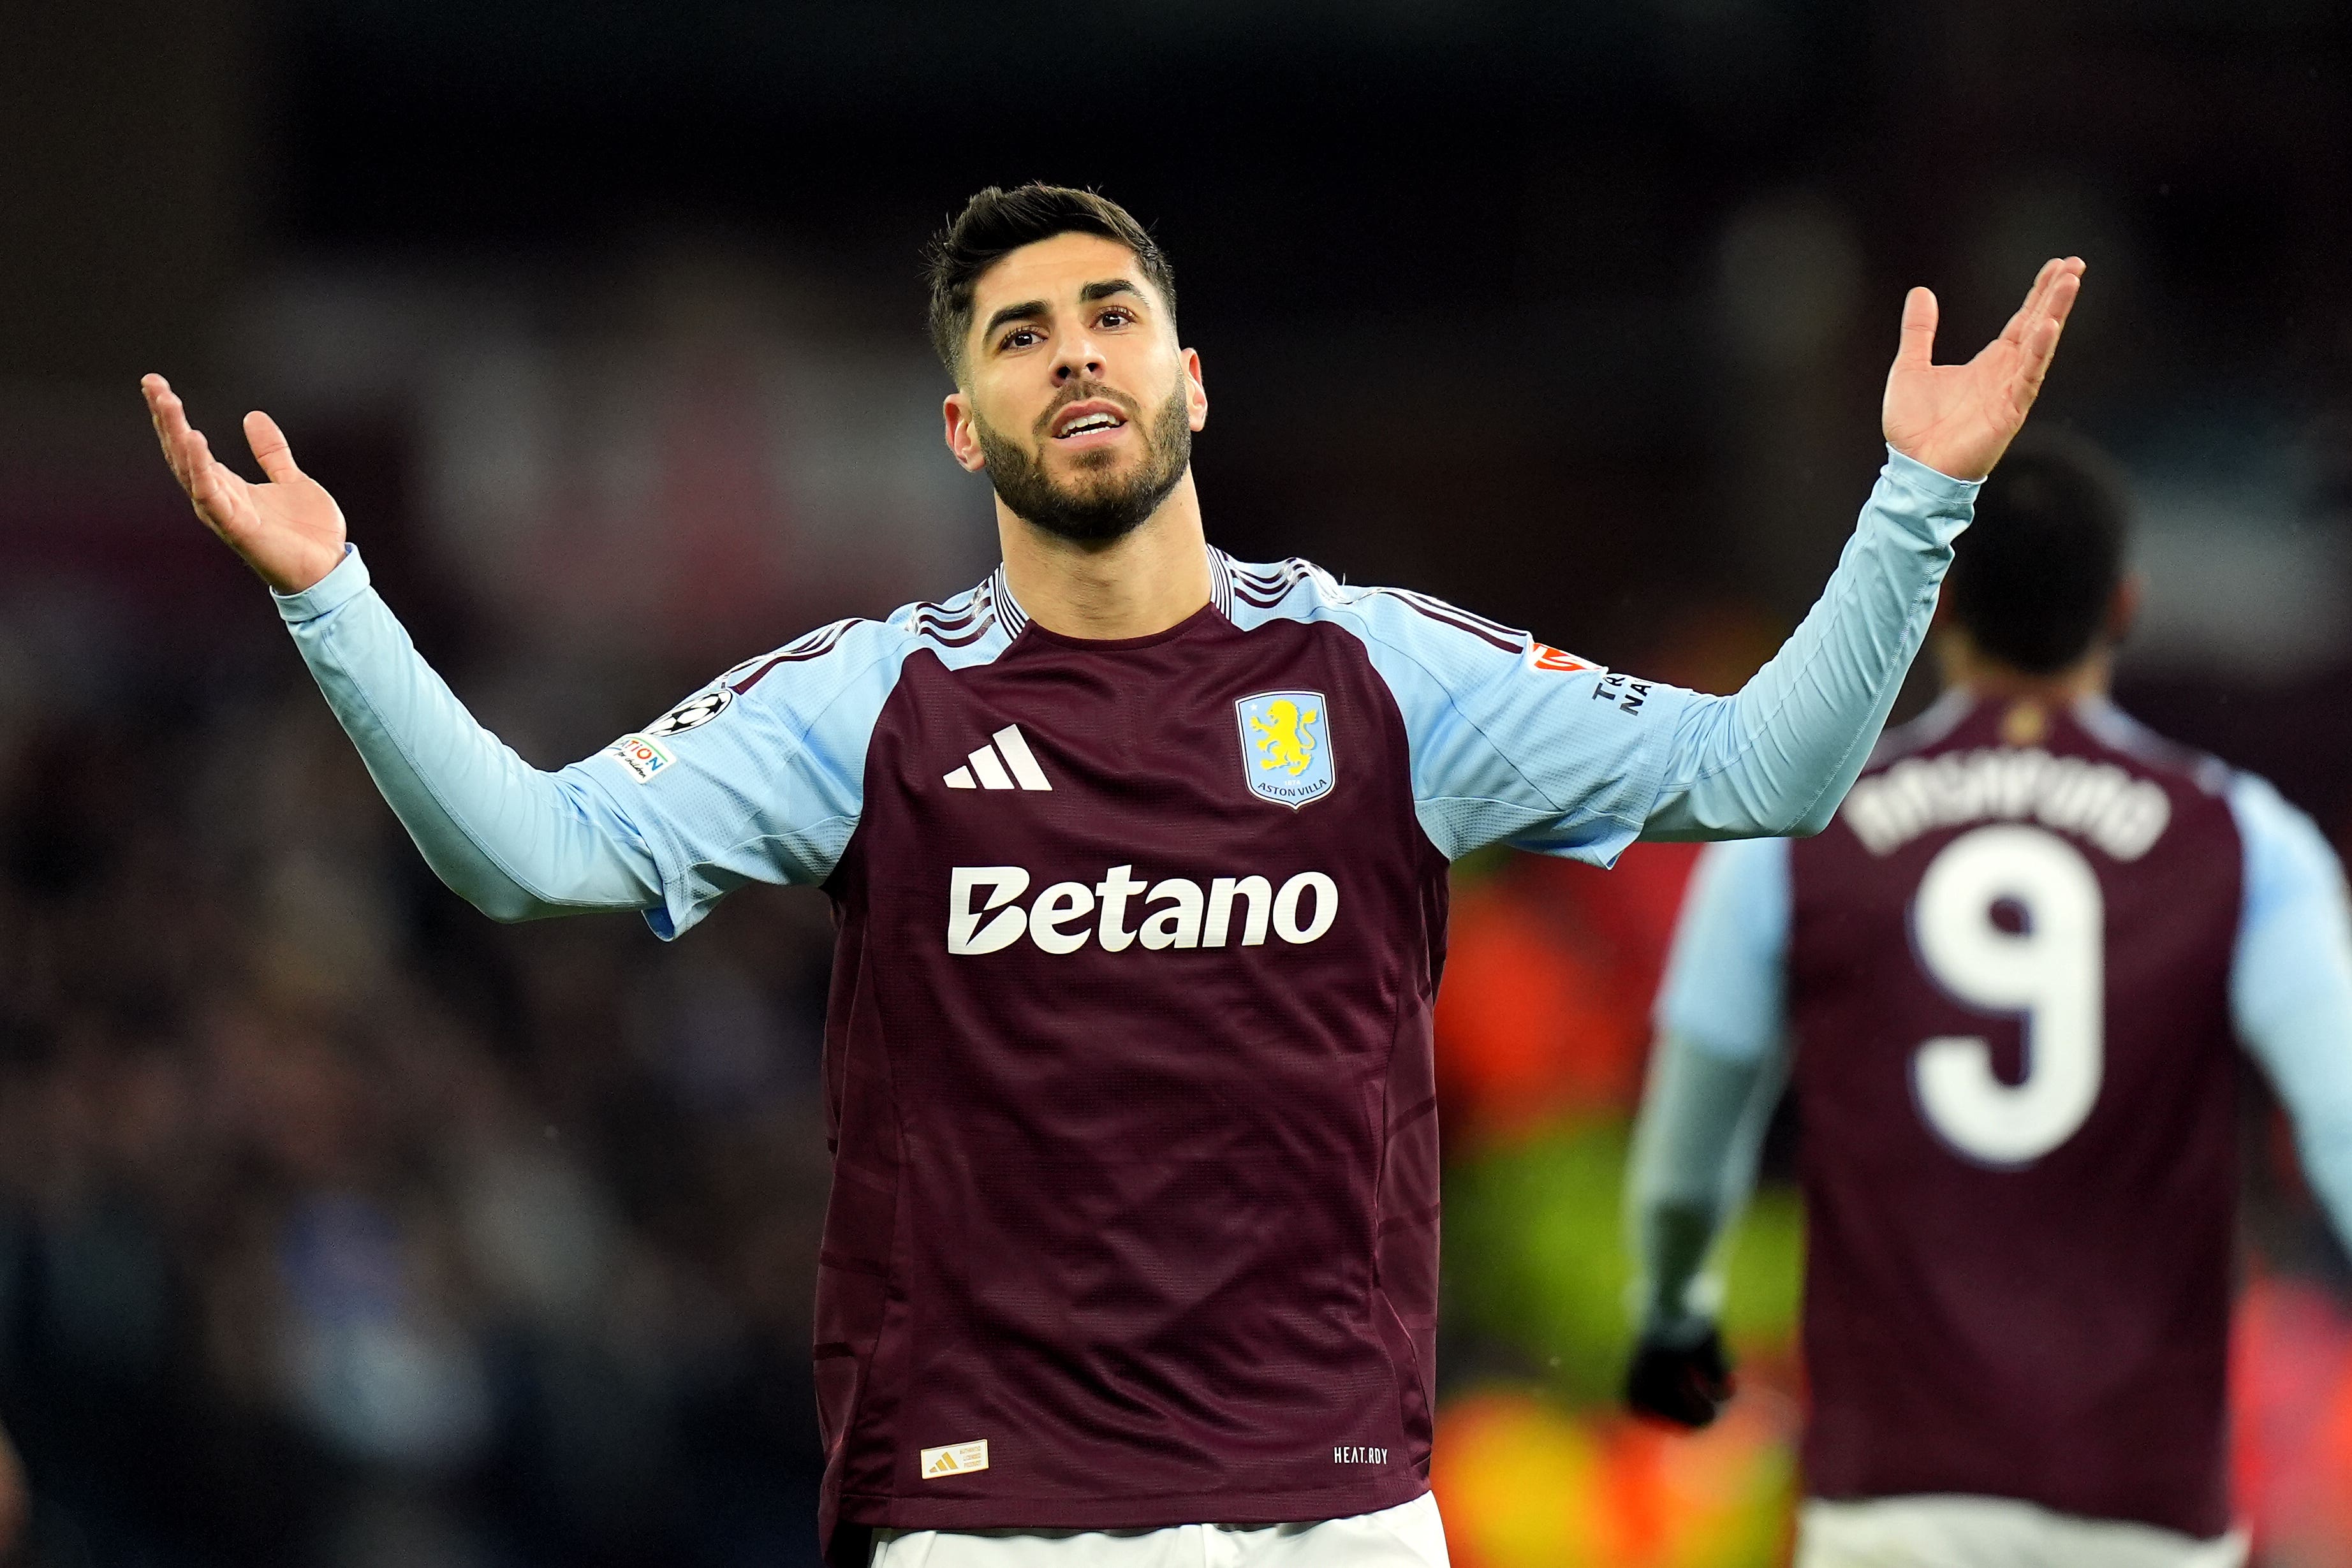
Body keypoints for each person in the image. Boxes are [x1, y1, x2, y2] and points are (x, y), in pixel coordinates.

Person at [144, 184, 2080, 1567]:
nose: (1072, 355)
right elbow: (531, 859)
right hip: (1003, 1519)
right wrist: (334, 597)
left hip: (1340, 1509)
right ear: (963, 423)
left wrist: (1921, 498)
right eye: (1019, 335)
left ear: (1190, 380)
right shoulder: (875, 705)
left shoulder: (1379, 673)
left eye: (1109, 319)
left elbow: (1771, 769)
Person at [1624, 438, 2352, 1567]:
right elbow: (2344, 1128)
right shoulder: (2246, 841)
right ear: (2124, 606)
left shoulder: (1792, 842)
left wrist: (1676, 1315)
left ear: (1942, 602)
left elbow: (1690, 1140)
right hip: (2145, 1495)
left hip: (1895, 1494)